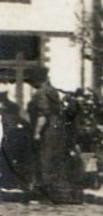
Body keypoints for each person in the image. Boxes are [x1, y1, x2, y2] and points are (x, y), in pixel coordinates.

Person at [26, 68, 82, 205]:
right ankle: (60, 194)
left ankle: (49, 195)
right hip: (59, 128)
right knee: (55, 160)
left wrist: (37, 133)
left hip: (49, 129)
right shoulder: (52, 90)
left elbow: (43, 115)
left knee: (46, 161)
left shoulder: (41, 92)